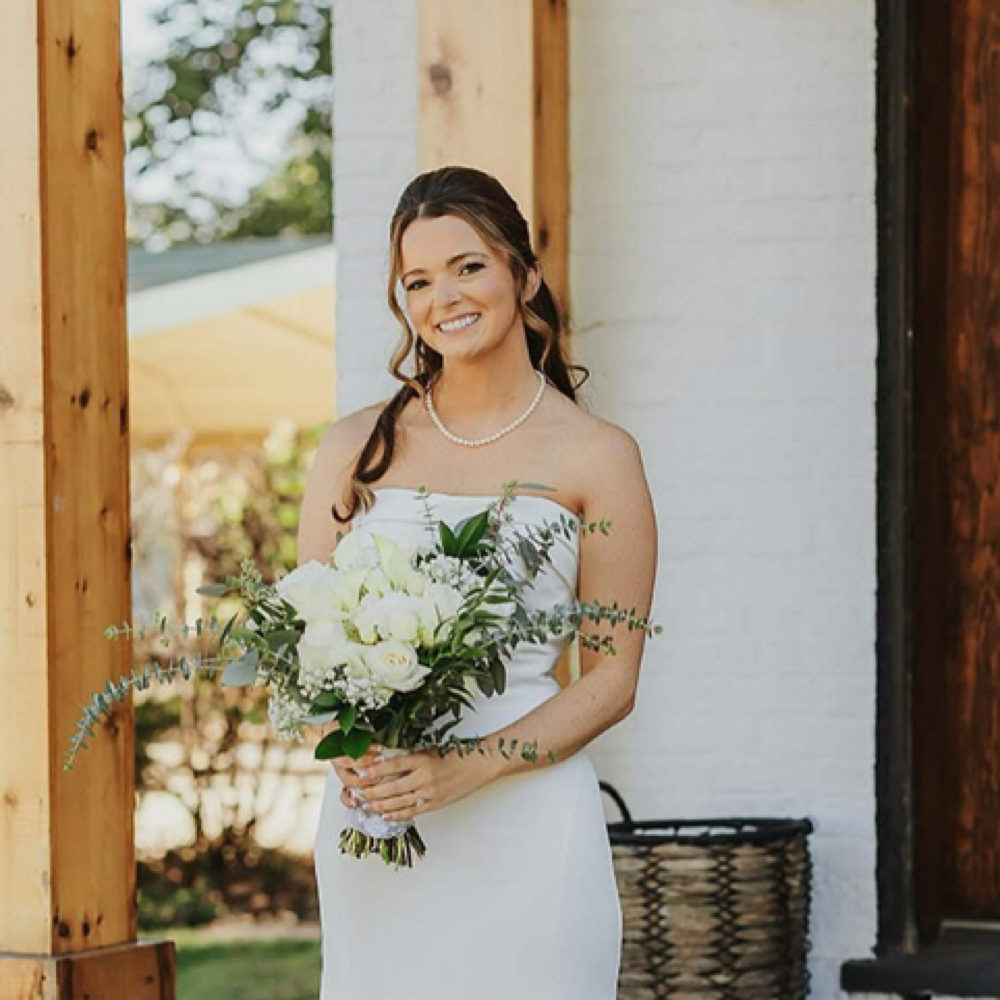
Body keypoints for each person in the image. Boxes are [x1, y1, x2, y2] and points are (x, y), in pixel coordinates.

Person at [297, 165, 658, 1000]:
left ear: (524, 276)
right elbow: (306, 642)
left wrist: (466, 767)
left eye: (469, 267)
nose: (444, 298)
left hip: (528, 826)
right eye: (418, 280)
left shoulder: (599, 457)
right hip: (381, 830)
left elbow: (612, 678)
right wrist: (350, 748)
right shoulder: (354, 448)